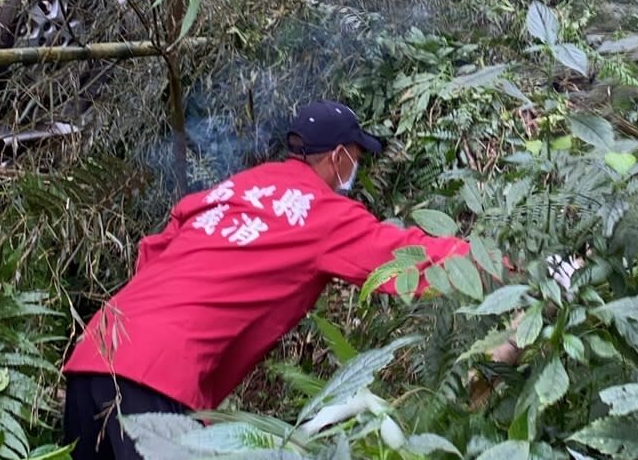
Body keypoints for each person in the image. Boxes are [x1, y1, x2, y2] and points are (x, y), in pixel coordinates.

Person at [61, 100, 472, 460]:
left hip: (97, 352)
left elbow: (155, 250)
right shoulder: (322, 213)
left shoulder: (235, 189)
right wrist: (492, 266)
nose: (356, 167)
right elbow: (400, 256)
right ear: (338, 156)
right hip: (158, 377)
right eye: (357, 157)